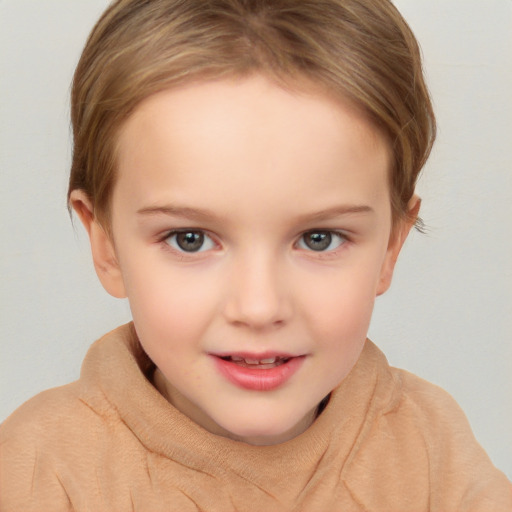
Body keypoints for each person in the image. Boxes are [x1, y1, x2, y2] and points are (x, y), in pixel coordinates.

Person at [0, 0, 510, 510]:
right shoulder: (40, 471)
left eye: (319, 239)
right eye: (190, 239)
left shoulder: (429, 447)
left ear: (390, 247)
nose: (260, 308)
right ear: (105, 243)